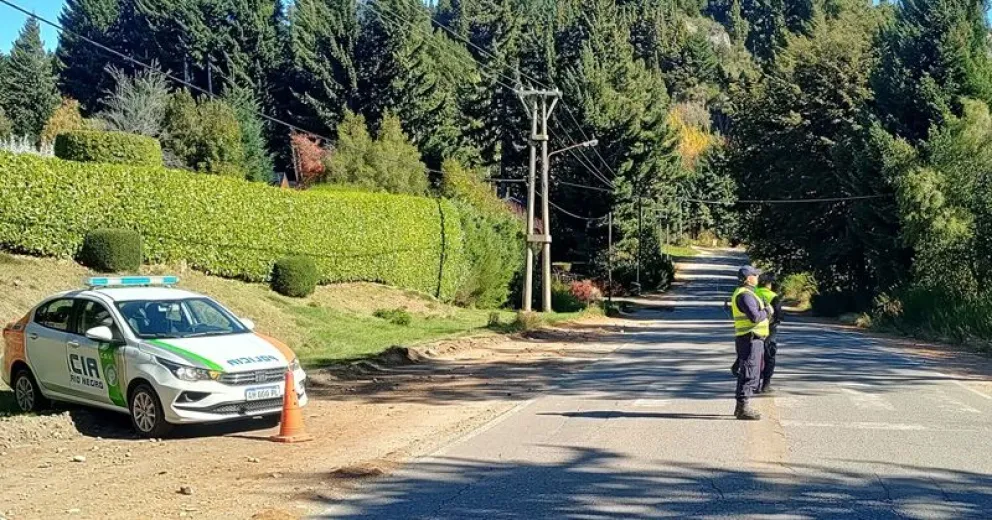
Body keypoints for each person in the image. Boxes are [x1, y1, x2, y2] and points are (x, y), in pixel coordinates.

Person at [730, 265, 770, 420]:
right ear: (748, 278)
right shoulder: (745, 295)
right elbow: (755, 317)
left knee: (751, 371)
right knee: (749, 373)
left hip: (752, 338)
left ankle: (741, 407)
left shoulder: (748, 293)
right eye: (755, 275)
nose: (758, 277)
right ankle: (743, 408)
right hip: (750, 338)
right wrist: (767, 311)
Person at [754, 274, 783, 393]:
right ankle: (766, 384)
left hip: (753, 328)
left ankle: (754, 383)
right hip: (769, 329)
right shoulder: (772, 296)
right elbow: (779, 314)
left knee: (754, 355)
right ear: (769, 284)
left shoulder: (753, 293)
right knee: (770, 355)